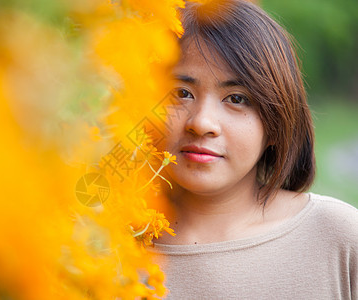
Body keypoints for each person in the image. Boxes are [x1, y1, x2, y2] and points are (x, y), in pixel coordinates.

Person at [149, 0, 358, 299]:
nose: (202, 122)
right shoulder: (103, 245)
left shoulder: (339, 237)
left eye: (237, 98)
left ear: (276, 122)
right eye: (181, 93)